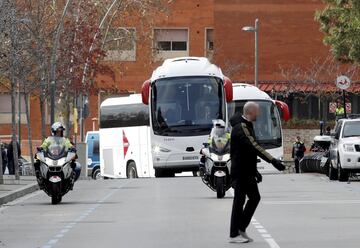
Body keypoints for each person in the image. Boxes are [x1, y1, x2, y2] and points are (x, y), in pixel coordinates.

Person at [229, 101, 285, 243]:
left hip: (247, 171)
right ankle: (234, 234)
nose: (259, 114)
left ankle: (241, 228)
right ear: (251, 112)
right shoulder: (241, 128)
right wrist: (273, 161)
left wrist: (255, 171)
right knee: (239, 201)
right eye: (257, 112)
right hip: (240, 171)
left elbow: (249, 152)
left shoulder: (247, 125)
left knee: (254, 198)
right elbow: (254, 146)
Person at [34, 122, 76, 188]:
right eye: (58, 132)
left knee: (74, 164)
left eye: (61, 132)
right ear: (53, 132)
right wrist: (41, 148)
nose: (60, 133)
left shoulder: (64, 140)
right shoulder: (48, 140)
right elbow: (44, 145)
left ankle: (70, 180)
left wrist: (72, 147)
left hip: (61, 157)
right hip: (50, 157)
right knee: (37, 162)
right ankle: (41, 179)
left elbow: (69, 145)